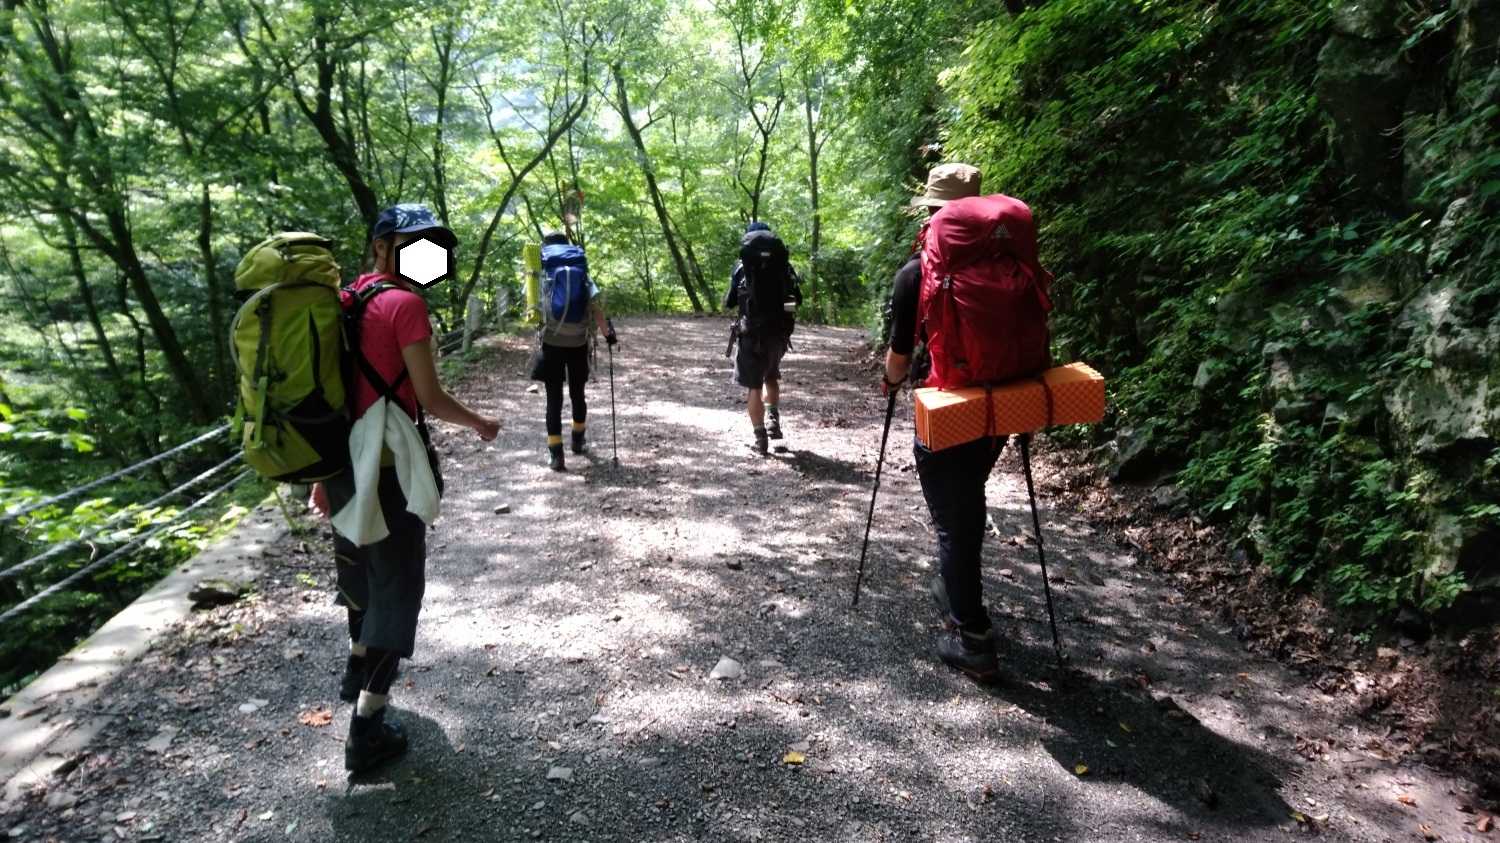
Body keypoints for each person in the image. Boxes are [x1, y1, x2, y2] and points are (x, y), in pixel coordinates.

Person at [311, 203, 500, 773]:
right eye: (414, 245)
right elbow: (431, 398)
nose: (425, 255)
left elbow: (330, 397)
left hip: (343, 465)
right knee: (397, 589)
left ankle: (356, 668)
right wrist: (481, 423)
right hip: (388, 469)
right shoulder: (406, 305)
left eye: (430, 248)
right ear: (381, 246)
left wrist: (320, 477)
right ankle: (366, 728)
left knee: (360, 575)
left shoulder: (343, 301)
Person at [881, 163, 1009, 682]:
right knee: (968, 496)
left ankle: (973, 637)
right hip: (1004, 402)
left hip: (946, 406)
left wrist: (890, 382)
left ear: (932, 211)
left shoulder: (917, 272)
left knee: (953, 520)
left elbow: (898, 355)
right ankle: (954, 587)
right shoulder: (1004, 258)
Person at [530, 231, 615, 471]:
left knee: (554, 398)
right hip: (578, 342)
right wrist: (608, 334)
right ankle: (578, 441)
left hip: (551, 342)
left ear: (545, 249)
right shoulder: (581, 271)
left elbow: (533, 310)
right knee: (578, 393)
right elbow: (596, 307)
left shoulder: (541, 274)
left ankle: (556, 454)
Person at [725, 221, 802, 455]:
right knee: (771, 377)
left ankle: (760, 439)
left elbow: (730, 301)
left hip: (751, 334)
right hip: (777, 334)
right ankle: (773, 421)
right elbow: (796, 300)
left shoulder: (742, 266)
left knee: (754, 387)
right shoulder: (784, 266)